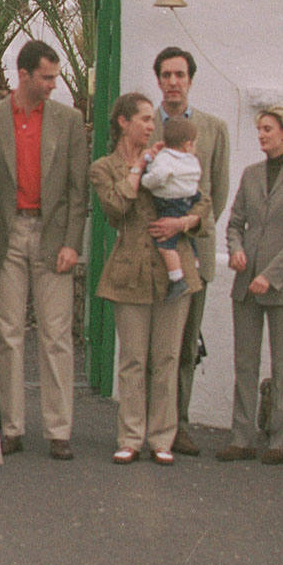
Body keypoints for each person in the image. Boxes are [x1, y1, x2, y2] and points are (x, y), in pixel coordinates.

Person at [0, 40, 87, 460]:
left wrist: (73, 242)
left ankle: (59, 430)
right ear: (23, 75)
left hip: (52, 233)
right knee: (7, 334)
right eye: (47, 77)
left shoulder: (68, 120)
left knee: (57, 335)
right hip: (6, 232)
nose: (54, 84)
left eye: (55, 77)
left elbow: (78, 189)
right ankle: (12, 426)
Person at [90, 93, 212, 465]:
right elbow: (116, 208)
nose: (150, 124)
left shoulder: (169, 155)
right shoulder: (104, 167)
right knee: (132, 359)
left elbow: (201, 200)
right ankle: (130, 436)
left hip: (174, 269)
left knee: (168, 356)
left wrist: (184, 221)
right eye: (143, 118)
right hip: (129, 271)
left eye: (150, 119)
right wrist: (137, 170)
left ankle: (163, 438)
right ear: (123, 122)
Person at [218, 106, 283, 465]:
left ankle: (280, 440)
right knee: (245, 362)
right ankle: (241, 437)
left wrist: (270, 276)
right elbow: (234, 224)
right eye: (259, 129)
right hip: (245, 286)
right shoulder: (250, 174)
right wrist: (237, 251)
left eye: (268, 129)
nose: (262, 135)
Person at [150, 46, 230, 457]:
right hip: (153, 246)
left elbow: (215, 191)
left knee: (184, 344)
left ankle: (178, 423)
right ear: (159, 80)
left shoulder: (214, 129)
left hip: (194, 246)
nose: (173, 81)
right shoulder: (146, 128)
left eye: (180, 74)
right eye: (166, 74)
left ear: (190, 80)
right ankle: (148, 424)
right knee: (150, 341)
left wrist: (194, 233)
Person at [140, 117, 202, 301]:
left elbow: (158, 175)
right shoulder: (192, 160)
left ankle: (177, 278)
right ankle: (195, 260)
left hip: (170, 203)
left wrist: (145, 180)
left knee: (165, 244)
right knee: (186, 233)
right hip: (189, 198)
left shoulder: (165, 159)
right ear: (187, 145)